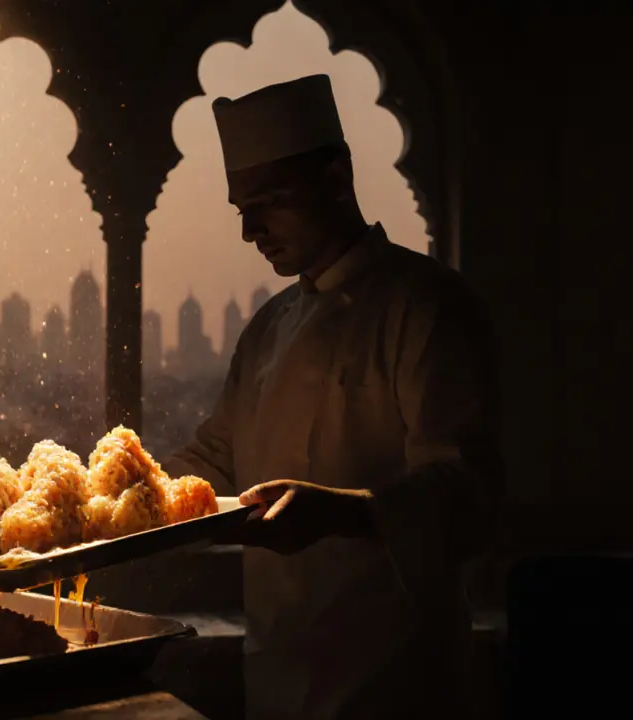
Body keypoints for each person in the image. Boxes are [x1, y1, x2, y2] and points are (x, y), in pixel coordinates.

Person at [161, 74, 504, 719]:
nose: (250, 231)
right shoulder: (268, 327)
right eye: (242, 210)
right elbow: (212, 460)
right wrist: (100, 500)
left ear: (335, 176)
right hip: (276, 669)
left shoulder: (428, 304)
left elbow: (469, 492)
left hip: (394, 679)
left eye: (270, 202)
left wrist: (346, 512)